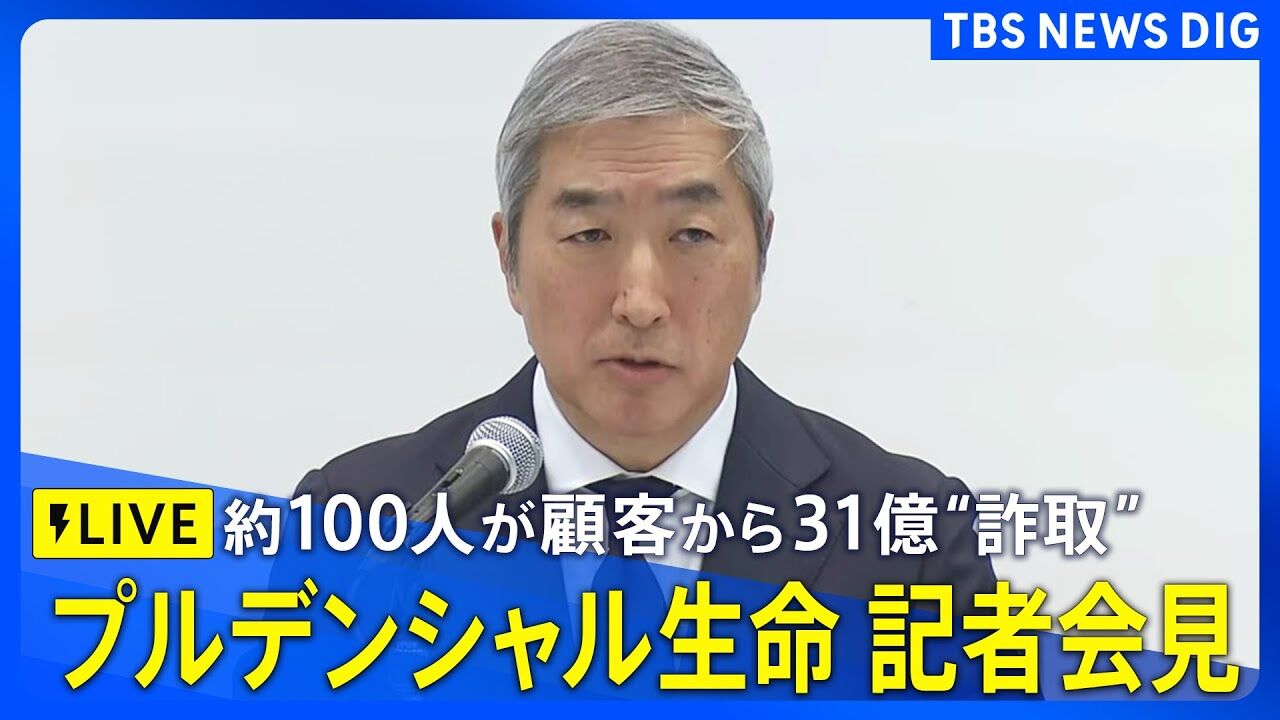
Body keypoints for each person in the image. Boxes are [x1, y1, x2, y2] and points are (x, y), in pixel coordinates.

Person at [292, 21, 995, 613]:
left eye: (690, 234)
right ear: (508, 258)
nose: (640, 303)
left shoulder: (912, 540)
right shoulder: (355, 528)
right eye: (589, 235)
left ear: (761, 254)